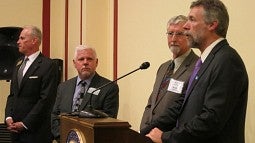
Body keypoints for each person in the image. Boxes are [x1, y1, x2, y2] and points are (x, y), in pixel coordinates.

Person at [140, 0, 249, 143]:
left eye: (192, 19)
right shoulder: (205, 61)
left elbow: (211, 120)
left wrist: (165, 137)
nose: (186, 26)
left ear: (212, 24)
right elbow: (179, 106)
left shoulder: (227, 60)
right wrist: (144, 134)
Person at [140, 15, 198, 130]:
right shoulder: (163, 67)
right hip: (149, 135)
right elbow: (151, 104)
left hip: (171, 136)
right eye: (170, 33)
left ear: (189, 36)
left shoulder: (197, 67)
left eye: (179, 34)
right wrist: (143, 130)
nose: (173, 39)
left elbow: (188, 111)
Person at [51, 45, 119, 141]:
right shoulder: (63, 87)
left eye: (89, 59)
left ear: (96, 62)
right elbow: (55, 115)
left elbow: (109, 120)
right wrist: (63, 137)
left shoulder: (109, 87)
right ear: (74, 63)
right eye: (81, 59)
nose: (85, 62)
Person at [4, 25, 58, 143]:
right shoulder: (18, 63)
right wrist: (8, 117)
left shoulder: (48, 65)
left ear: (34, 41)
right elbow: (12, 95)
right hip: (15, 131)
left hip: (36, 132)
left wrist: (25, 124)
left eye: (22, 38)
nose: (18, 42)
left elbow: (46, 99)